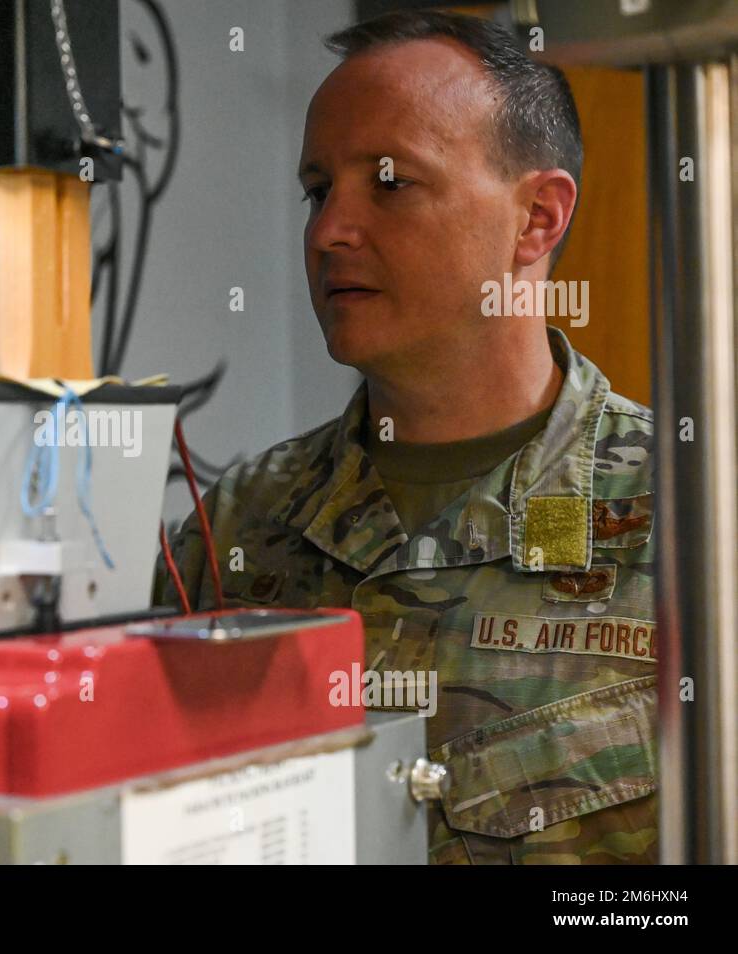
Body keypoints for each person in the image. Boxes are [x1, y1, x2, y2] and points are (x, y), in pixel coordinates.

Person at [155, 11, 657, 864]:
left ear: (536, 218)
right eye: (319, 191)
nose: (327, 232)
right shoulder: (240, 525)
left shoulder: (688, 520)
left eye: (389, 183)